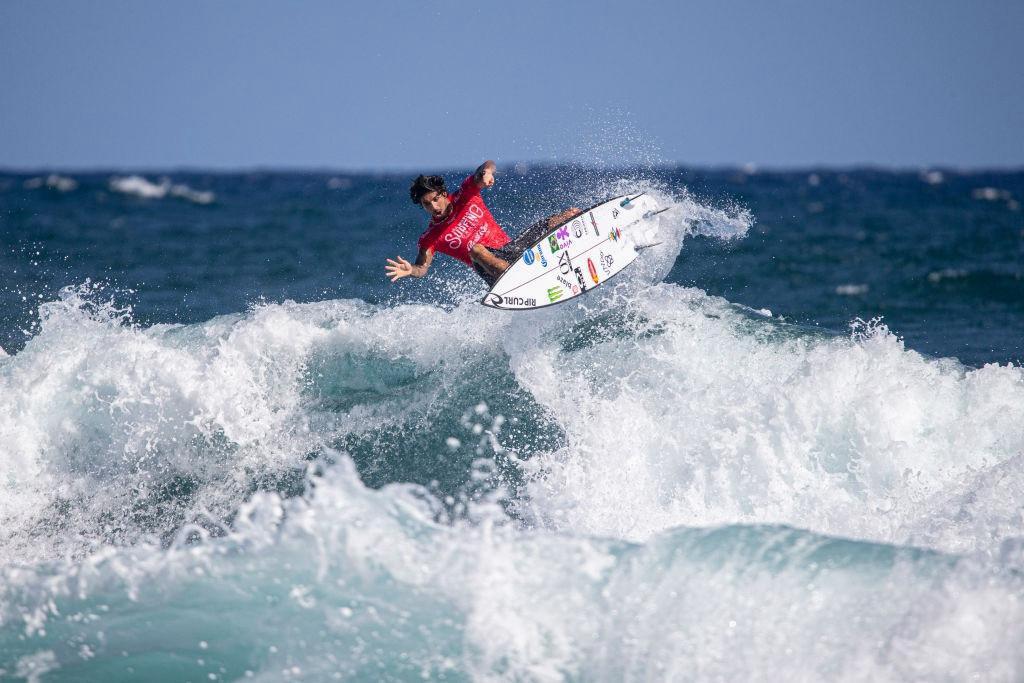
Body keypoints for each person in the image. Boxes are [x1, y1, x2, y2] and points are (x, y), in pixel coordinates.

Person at [385, 160, 581, 286]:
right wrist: (411, 270)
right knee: (476, 249)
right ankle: (520, 280)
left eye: (435, 199)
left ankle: (586, 234)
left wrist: (487, 173)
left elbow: (485, 167)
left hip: (512, 251)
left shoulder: (465, 195)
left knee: (565, 216)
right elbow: (422, 267)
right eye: (426, 204)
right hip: (494, 275)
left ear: (444, 194)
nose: (434, 206)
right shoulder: (430, 237)